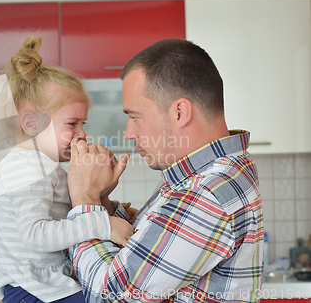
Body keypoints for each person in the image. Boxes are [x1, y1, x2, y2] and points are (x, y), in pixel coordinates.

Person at [67, 38, 263, 303]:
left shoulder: (206, 192)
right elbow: (138, 251)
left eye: (135, 116)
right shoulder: (197, 176)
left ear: (180, 112)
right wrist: (103, 204)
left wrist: (84, 200)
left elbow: (110, 296)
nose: (128, 132)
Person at [0, 36, 134, 303]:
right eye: (72, 124)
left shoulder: (45, 166)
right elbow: (35, 234)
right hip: (32, 287)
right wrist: (104, 225)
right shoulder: (27, 166)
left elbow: (67, 216)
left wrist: (110, 207)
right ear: (32, 124)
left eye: (83, 123)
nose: (82, 134)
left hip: (46, 282)